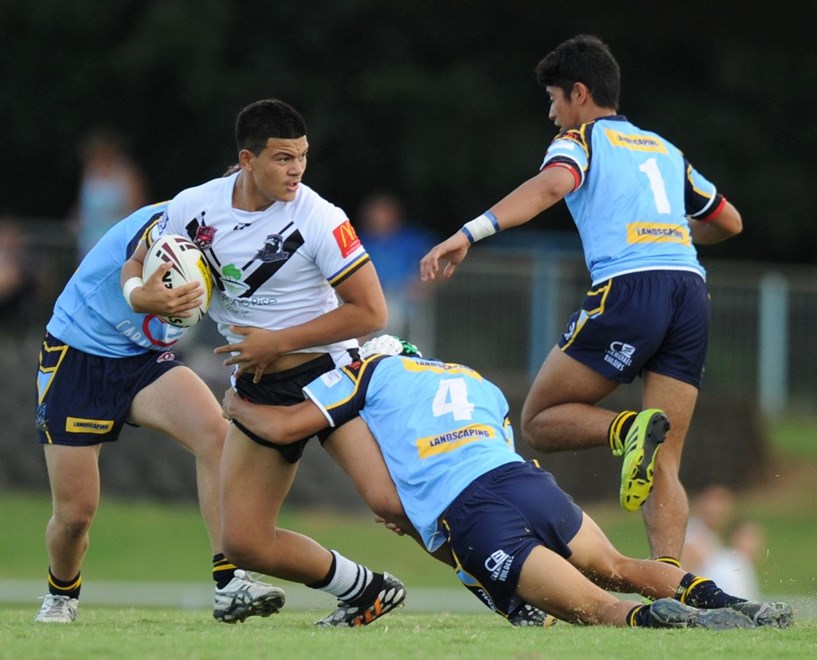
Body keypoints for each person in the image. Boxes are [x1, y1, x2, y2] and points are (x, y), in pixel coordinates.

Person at [419, 35, 743, 564]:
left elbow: (551, 187)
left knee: (539, 420)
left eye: (554, 99)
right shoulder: (664, 149)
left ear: (579, 93)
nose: (552, 114)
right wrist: (673, 233)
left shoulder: (582, 140)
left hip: (631, 288)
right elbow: (729, 221)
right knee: (665, 460)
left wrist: (469, 233)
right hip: (689, 290)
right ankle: (672, 580)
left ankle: (626, 428)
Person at [220, 335, 792, 629]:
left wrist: (236, 406)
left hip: (473, 513)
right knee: (618, 566)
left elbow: (293, 429)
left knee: (598, 609)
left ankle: (690, 630)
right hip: (526, 482)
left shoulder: (360, 373)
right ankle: (734, 607)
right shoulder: (474, 379)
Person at [121, 99, 408, 627]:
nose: (297, 169)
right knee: (243, 543)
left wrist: (278, 341)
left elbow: (371, 311)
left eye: (302, 156)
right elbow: (138, 259)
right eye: (283, 158)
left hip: (331, 374)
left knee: (390, 503)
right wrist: (142, 296)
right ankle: (367, 590)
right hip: (258, 385)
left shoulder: (320, 217)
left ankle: (510, 583)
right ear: (247, 160)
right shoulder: (193, 206)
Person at [34, 202, 284, 624]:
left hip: (143, 358)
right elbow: (134, 265)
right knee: (75, 514)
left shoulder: (247, 241)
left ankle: (230, 582)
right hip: (78, 355)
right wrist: (139, 294)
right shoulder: (183, 213)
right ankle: (61, 595)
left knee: (216, 435)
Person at [356, 192, 437, 338]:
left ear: (394, 214)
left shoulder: (410, 239)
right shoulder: (360, 241)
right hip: (370, 296)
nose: (377, 218)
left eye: (382, 213)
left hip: (403, 298)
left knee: (390, 314)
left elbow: (440, 260)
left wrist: (421, 283)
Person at [73, 127, 148, 259]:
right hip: (90, 241)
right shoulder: (90, 173)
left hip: (118, 243)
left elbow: (138, 209)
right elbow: (82, 206)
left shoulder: (126, 174)